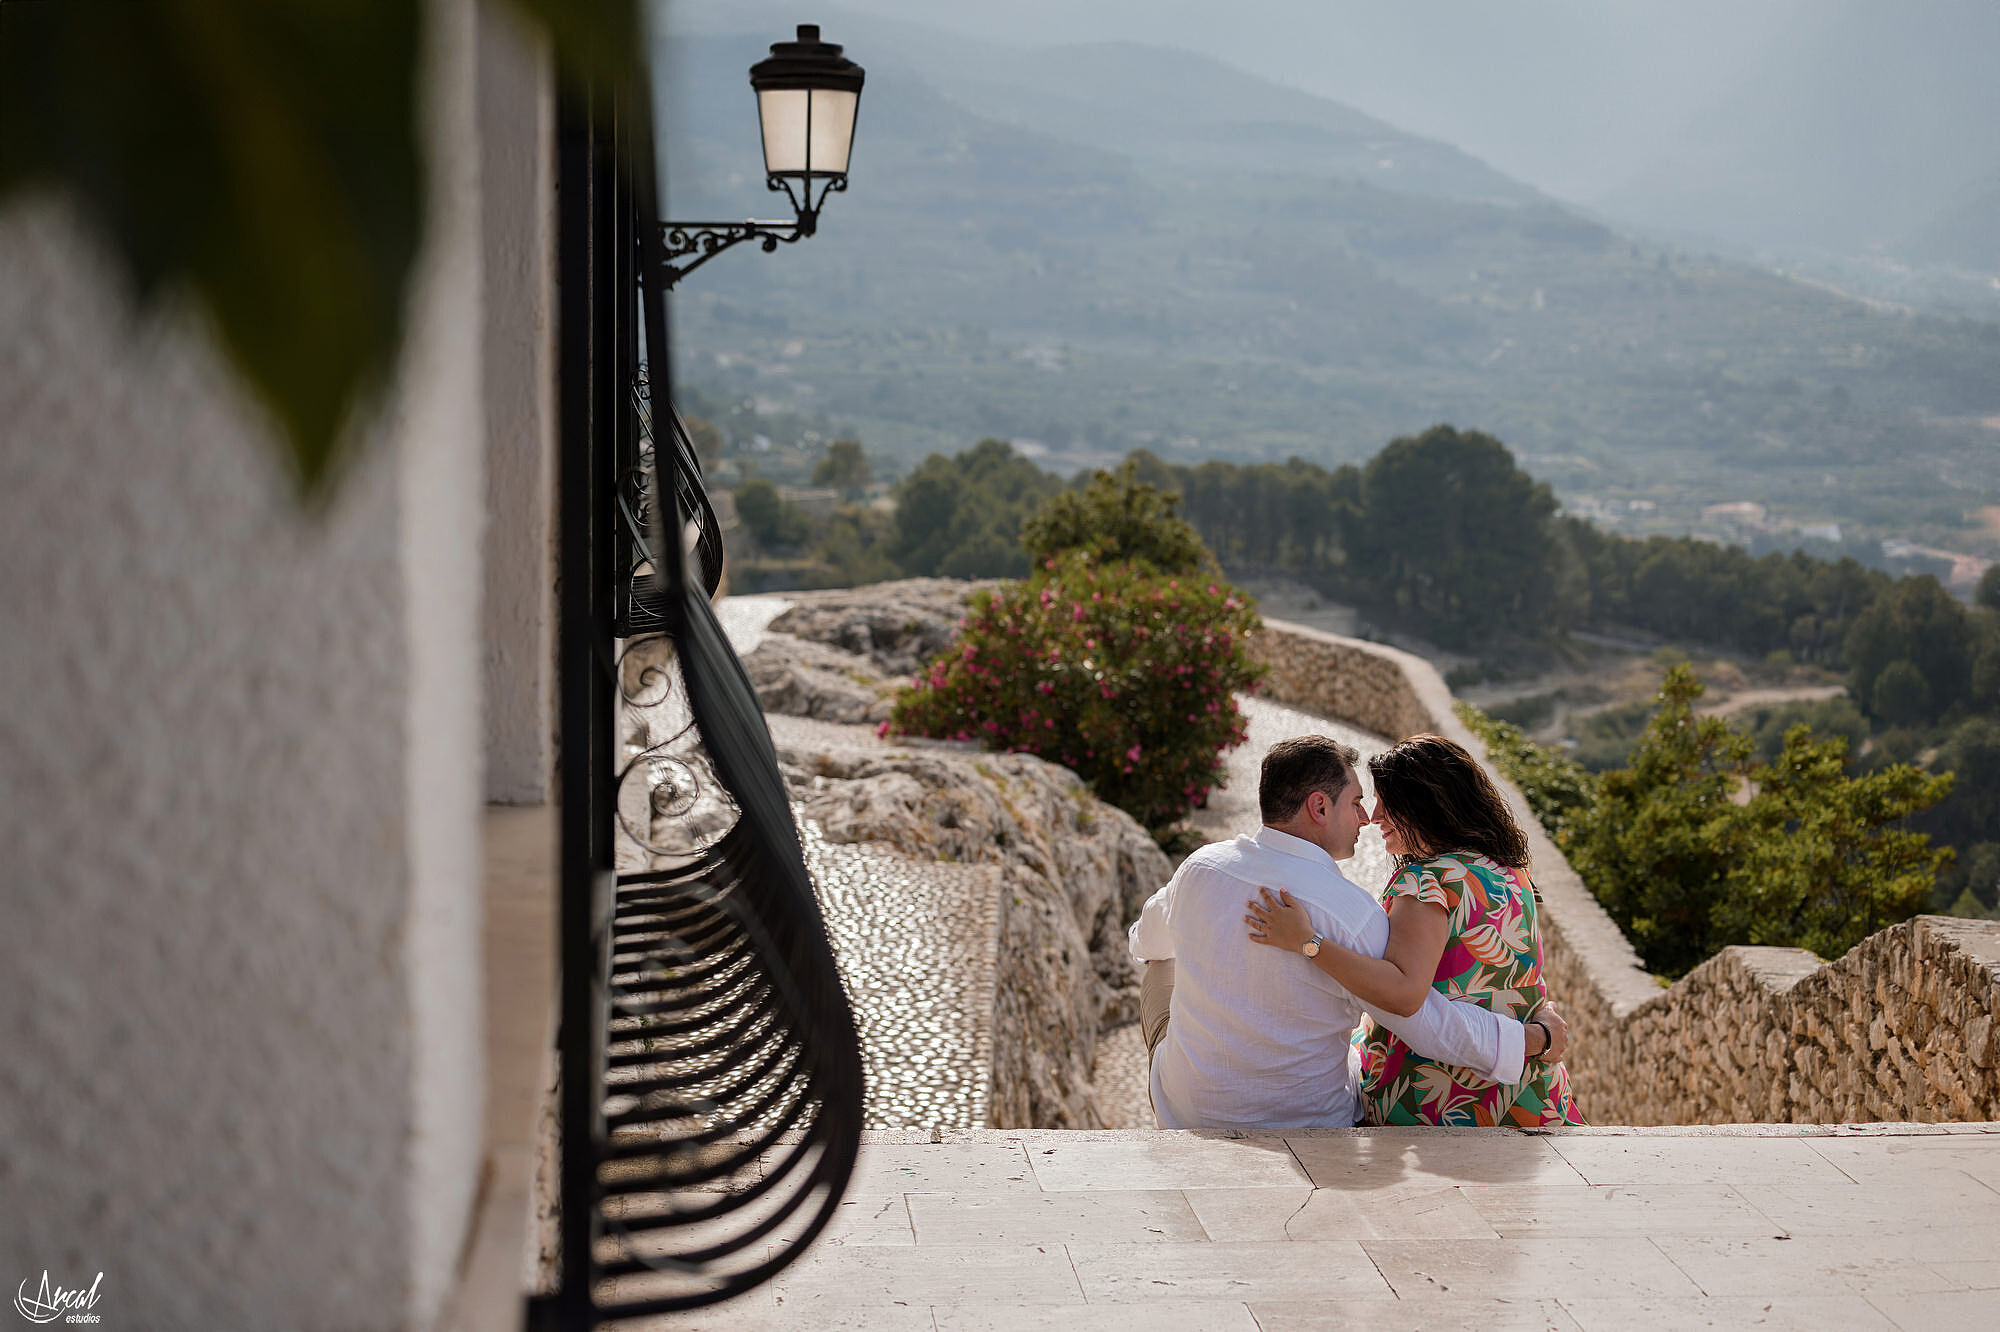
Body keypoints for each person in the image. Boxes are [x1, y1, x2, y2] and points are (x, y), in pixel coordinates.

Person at [1129, 734, 1567, 1131]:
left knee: (1159, 961)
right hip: (1307, 1122)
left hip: (1187, 1111)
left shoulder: (1200, 866)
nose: (1366, 818)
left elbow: (1145, 940)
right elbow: (1428, 1023)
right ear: (1319, 807)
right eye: (1357, 802)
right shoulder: (1353, 914)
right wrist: (1531, 1039)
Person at [1247, 733, 1585, 1127]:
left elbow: (1402, 993)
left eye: (1386, 804)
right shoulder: (1511, 873)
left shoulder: (1425, 882)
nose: (1374, 817)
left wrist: (1308, 943)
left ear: (1425, 805)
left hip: (1438, 1097)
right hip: (1529, 1093)